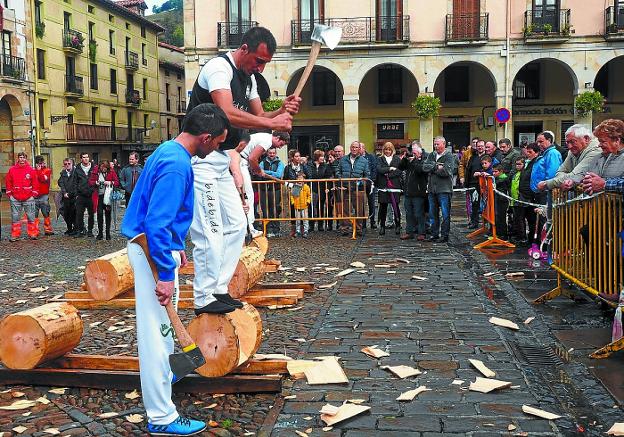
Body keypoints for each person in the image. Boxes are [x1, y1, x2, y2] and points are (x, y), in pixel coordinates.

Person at [121, 103, 229, 436]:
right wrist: (165, 274)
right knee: (156, 335)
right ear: (206, 137)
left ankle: (165, 390)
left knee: (163, 333)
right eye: (218, 142)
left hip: (158, 249)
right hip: (151, 252)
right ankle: (161, 416)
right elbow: (155, 221)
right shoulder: (176, 165)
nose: (217, 149)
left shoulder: (169, 151)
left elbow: (161, 214)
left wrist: (176, 245)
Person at [186, 26, 299, 314]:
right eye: (258, 61)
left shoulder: (248, 80)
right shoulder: (218, 68)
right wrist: (274, 124)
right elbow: (227, 113)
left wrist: (281, 110)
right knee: (209, 232)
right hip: (202, 159)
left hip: (224, 159)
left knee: (239, 225)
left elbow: (258, 117)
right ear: (245, 49)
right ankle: (203, 297)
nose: (260, 67)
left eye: (265, 64)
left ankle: (219, 289)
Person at [240, 131, 289, 237]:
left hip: (241, 161)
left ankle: (247, 227)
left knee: (244, 196)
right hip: (240, 162)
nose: (280, 148)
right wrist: (258, 170)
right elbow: (252, 158)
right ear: (277, 138)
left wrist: (256, 169)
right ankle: (249, 228)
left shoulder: (264, 136)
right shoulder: (267, 141)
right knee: (248, 196)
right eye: (281, 144)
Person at [536, 124, 602, 192]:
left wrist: (547, 184)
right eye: (567, 142)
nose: (569, 146)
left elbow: (575, 175)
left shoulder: (595, 150)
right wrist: (565, 181)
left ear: (586, 139)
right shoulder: (573, 151)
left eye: (573, 142)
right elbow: (561, 171)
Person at [423, 136, 456, 243]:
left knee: (445, 214)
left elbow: (447, 171)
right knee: (433, 213)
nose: (435, 146)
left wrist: (433, 168)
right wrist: (437, 166)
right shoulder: (432, 155)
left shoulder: (449, 156)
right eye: (435, 144)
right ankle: (434, 234)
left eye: (438, 144)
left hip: (444, 189)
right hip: (432, 189)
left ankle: (445, 235)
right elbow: (425, 167)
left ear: (444, 144)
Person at [335, 141, 370, 236]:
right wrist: (340, 178)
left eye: (356, 147)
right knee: (345, 209)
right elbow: (338, 170)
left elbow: (367, 174)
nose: (354, 149)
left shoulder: (364, 161)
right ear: (350, 148)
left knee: (359, 210)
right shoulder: (343, 159)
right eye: (352, 147)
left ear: (359, 149)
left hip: (358, 189)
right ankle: (345, 229)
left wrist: (362, 181)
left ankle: (358, 229)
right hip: (345, 187)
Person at [581, 119, 624, 195]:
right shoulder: (610, 155)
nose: (599, 145)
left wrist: (604, 184)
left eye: (603, 141)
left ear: (617, 140)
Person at [5, 152, 39, 241]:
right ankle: (15, 235)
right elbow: (8, 182)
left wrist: (34, 194)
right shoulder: (12, 170)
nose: (22, 159)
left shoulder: (31, 170)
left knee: (31, 216)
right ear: (18, 158)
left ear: (26, 159)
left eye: (23, 157)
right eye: (20, 157)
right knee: (15, 217)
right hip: (15, 198)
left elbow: (35, 182)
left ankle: (33, 234)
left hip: (28, 197)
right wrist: (9, 194)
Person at [398, 141, 428, 241]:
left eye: (414, 151)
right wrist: (405, 159)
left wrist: (416, 160)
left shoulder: (424, 158)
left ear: (419, 150)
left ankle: (421, 232)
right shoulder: (410, 159)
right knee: (408, 213)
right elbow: (401, 167)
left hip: (419, 192)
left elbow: (421, 170)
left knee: (419, 213)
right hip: (408, 191)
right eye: (412, 151)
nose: (412, 153)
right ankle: (409, 232)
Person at [89, 160, 120, 240]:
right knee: (99, 214)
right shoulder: (95, 172)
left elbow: (117, 182)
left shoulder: (112, 172)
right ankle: (100, 233)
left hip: (108, 196)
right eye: (102, 167)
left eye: (105, 168)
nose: (104, 169)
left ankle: (107, 233)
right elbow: (90, 182)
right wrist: (96, 182)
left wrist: (110, 182)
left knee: (108, 214)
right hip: (99, 196)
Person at [517, 143, 541, 245]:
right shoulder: (528, 163)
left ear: (536, 153)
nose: (528, 154)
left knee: (532, 220)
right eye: (527, 151)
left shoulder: (536, 163)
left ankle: (532, 240)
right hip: (524, 195)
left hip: (530, 196)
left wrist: (530, 194)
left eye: (530, 152)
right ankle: (528, 239)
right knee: (524, 217)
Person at [376, 142, 402, 235]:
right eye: (386, 149)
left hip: (394, 185)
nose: (387, 151)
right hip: (383, 186)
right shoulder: (380, 159)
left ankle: (398, 225)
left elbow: (399, 171)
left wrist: (388, 175)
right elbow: (379, 169)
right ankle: (382, 226)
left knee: (396, 206)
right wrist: (390, 168)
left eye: (389, 149)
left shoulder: (397, 159)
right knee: (383, 206)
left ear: (392, 150)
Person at [258, 147, 285, 237]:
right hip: (264, 189)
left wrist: (266, 173)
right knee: (265, 210)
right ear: (267, 153)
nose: (272, 155)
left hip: (275, 189)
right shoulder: (262, 162)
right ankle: (267, 229)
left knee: (275, 209)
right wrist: (272, 173)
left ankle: (276, 229)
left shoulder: (280, 163)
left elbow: (279, 174)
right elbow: (259, 172)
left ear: (276, 153)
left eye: (273, 153)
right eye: (270, 153)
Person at [530, 131, 563, 203]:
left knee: (546, 213)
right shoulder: (545, 153)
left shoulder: (552, 153)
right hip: (541, 192)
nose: (538, 144)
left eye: (541, 141)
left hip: (547, 193)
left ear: (549, 140)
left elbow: (552, 174)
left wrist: (545, 187)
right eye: (537, 142)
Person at [73, 152, 97, 237]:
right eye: (84, 157)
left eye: (87, 157)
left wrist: (94, 190)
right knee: (79, 214)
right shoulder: (77, 169)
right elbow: (75, 182)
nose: (86, 159)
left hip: (91, 194)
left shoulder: (94, 167)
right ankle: (80, 230)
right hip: (81, 195)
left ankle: (90, 231)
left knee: (91, 214)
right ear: (81, 159)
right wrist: (76, 194)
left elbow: (97, 179)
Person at [308, 149, 332, 231]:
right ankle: (311, 225)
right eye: (321, 156)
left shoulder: (326, 166)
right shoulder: (309, 165)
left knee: (320, 206)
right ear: (317, 157)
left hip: (322, 189)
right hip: (312, 188)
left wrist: (327, 187)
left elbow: (328, 177)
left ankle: (320, 225)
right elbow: (308, 176)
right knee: (311, 207)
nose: (323, 158)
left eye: (323, 156)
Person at [464, 140, 486, 229]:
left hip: (484, 185)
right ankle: (474, 222)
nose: (480, 147)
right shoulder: (473, 158)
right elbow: (468, 170)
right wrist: (466, 184)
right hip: (473, 184)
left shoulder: (488, 157)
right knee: (474, 204)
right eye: (478, 146)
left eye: (482, 146)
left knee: (486, 204)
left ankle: (487, 223)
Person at [34, 155, 54, 236]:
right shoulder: (33, 171)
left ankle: (48, 229)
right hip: (34, 196)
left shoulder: (47, 170)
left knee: (46, 213)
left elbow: (43, 179)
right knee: (34, 215)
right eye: (38, 163)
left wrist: (38, 171)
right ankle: (35, 231)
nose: (40, 165)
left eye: (41, 163)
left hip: (44, 196)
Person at [360, 142, 378, 229]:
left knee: (371, 203)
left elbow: (374, 169)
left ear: (364, 148)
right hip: (360, 184)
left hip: (370, 183)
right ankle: (363, 222)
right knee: (361, 203)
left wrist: (372, 180)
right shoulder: (357, 158)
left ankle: (372, 221)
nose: (358, 150)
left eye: (360, 148)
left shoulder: (371, 157)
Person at [58, 158, 77, 235]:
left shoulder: (76, 172)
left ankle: (77, 228)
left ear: (72, 164)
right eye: (65, 164)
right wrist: (64, 192)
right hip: (65, 196)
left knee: (75, 213)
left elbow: (77, 183)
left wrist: (74, 193)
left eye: (69, 164)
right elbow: (61, 183)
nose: (67, 165)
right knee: (66, 213)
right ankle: (69, 228)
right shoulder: (63, 173)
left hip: (74, 196)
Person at [290, 172, 311, 237]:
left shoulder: (306, 187)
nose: (300, 180)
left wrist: (308, 201)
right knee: (297, 219)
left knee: (305, 219)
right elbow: (292, 195)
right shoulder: (295, 187)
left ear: (304, 180)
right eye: (298, 178)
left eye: (301, 178)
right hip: (297, 206)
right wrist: (293, 202)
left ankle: (305, 230)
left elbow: (309, 195)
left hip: (304, 206)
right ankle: (298, 230)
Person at [492, 164, 510, 240]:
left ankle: (503, 234)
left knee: (501, 217)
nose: (493, 173)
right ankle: (499, 233)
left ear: (501, 171)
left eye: (495, 171)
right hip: (498, 200)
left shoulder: (503, 179)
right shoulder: (497, 178)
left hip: (502, 201)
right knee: (498, 217)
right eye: (493, 171)